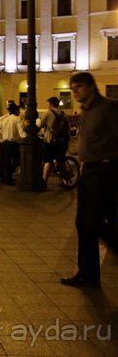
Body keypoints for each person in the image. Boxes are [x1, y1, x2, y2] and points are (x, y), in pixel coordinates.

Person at [61, 72, 118, 288]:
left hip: (105, 170)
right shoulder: (86, 112)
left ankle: (89, 273)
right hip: (88, 172)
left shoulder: (108, 108)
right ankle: (87, 274)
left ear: (91, 87)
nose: (74, 91)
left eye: (79, 87)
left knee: (94, 223)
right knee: (83, 223)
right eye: (73, 87)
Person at [40, 97, 69, 185]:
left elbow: (40, 124)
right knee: (60, 159)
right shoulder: (64, 114)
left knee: (48, 160)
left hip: (50, 140)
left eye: (48, 104)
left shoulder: (48, 113)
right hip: (62, 141)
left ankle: (44, 182)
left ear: (51, 104)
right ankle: (64, 181)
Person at [0, 102, 25, 186]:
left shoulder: (5, 120)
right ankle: (7, 178)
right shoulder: (17, 119)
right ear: (15, 111)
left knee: (6, 161)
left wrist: (0, 139)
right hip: (13, 144)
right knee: (16, 161)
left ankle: (5, 177)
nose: (19, 112)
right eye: (18, 110)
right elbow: (21, 132)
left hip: (5, 143)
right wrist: (26, 138)